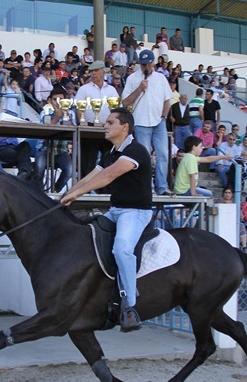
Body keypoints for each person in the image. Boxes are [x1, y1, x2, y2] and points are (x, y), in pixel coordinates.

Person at [61, 109, 151, 332]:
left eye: (110, 122)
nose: (105, 126)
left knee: (121, 249)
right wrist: (67, 194)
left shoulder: (135, 151)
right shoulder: (112, 152)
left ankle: (131, 306)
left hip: (135, 212)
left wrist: (77, 195)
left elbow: (108, 176)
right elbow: (92, 175)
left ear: (124, 127)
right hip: (116, 210)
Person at [121, 49, 173, 195]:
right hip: (141, 122)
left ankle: (162, 187)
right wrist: (140, 88)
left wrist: (164, 117)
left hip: (158, 122)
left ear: (153, 63)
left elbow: (167, 100)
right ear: (139, 65)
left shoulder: (161, 78)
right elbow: (125, 102)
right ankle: (147, 187)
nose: (146, 67)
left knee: (162, 154)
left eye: (149, 64)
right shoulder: (132, 79)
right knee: (145, 156)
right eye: (143, 65)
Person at [0, 97, 33, 179]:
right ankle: (25, 174)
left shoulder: (6, 118)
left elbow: (14, 138)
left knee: (25, 145)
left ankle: (24, 173)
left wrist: (3, 135)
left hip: (12, 147)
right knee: (24, 158)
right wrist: (5, 136)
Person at [35, 86, 73, 193]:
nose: (58, 102)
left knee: (69, 170)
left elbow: (73, 129)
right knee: (39, 169)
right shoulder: (45, 112)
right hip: (44, 148)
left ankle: (55, 191)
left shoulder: (70, 113)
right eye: (55, 99)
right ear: (50, 101)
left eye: (61, 100)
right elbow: (47, 131)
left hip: (61, 150)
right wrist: (57, 117)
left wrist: (65, 116)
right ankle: (39, 193)